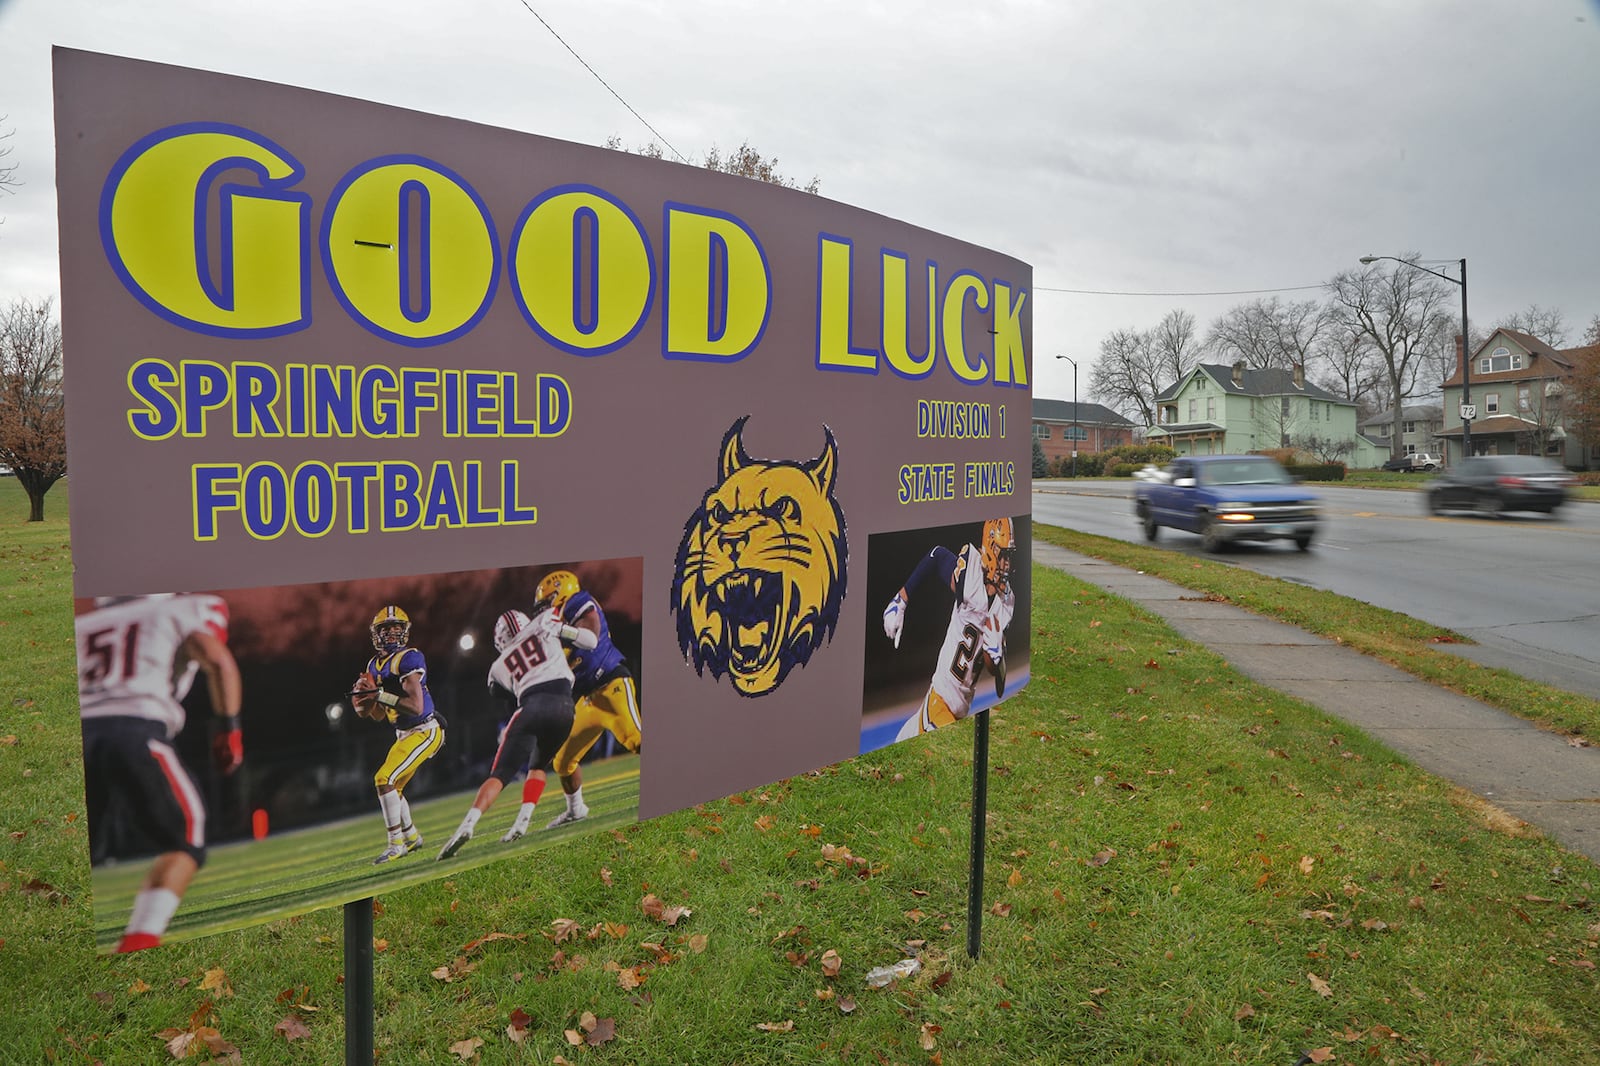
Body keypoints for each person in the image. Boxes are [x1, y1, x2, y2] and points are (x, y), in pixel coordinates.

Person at [76, 593, 244, 952]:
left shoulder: (82, 624)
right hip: (134, 729)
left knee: (71, 857)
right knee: (186, 835)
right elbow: (217, 661)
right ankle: (139, 940)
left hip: (74, 736)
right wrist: (229, 728)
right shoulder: (174, 610)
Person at [436, 603, 597, 859]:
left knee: (499, 775)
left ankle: (466, 826)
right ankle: (522, 823)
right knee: (538, 766)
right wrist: (566, 633)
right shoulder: (545, 622)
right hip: (565, 707)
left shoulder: (497, 666)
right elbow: (590, 641)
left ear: (500, 640)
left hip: (532, 706)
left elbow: (500, 692)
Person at [881, 517, 1017, 742]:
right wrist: (901, 600)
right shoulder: (971, 576)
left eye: (1009, 557)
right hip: (941, 701)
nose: (1007, 565)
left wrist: (997, 656)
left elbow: (997, 680)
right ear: (990, 551)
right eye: (1003, 556)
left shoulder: (1006, 601)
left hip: (960, 708)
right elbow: (936, 556)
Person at [531, 569, 643, 831]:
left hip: (611, 684)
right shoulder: (554, 629)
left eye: (547, 602)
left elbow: (590, 640)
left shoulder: (578, 602)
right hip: (589, 699)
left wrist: (557, 629)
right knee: (562, 761)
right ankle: (575, 810)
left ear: (560, 594)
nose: (544, 610)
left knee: (637, 741)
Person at [351, 605, 445, 864]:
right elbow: (379, 714)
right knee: (393, 787)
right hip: (403, 734)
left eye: (396, 628)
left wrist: (379, 694)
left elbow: (415, 706)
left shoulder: (408, 658)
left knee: (384, 778)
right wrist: (365, 702)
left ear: (405, 632)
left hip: (425, 730)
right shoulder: (373, 665)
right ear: (376, 634)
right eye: (385, 629)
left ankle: (396, 845)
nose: (391, 634)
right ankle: (411, 836)